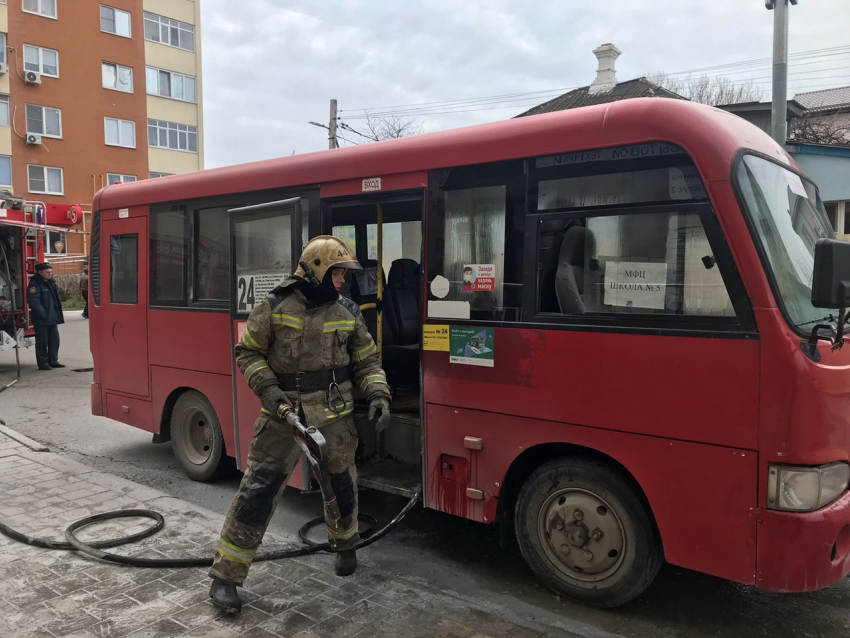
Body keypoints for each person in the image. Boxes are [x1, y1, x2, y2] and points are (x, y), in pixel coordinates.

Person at [208, 236, 392, 615]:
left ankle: (345, 548)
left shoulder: (348, 311)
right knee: (257, 492)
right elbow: (248, 353)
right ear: (317, 270)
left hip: (334, 416)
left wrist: (378, 394)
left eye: (344, 274)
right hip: (283, 417)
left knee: (342, 486)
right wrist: (270, 392)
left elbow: (367, 361)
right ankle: (226, 577)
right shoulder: (274, 307)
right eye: (337, 273)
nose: (342, 281)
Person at [27, 262, 65, 370]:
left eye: (51, 272)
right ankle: (43, 363)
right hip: (42, 319)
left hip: (52, 317)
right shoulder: (35, 285)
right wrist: (43, 315)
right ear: (40, 272)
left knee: (54, 340)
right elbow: (34, 302)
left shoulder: (51, 282)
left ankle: (53, 360)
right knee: (42, 341)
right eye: (47, 272)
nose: (50, 274)